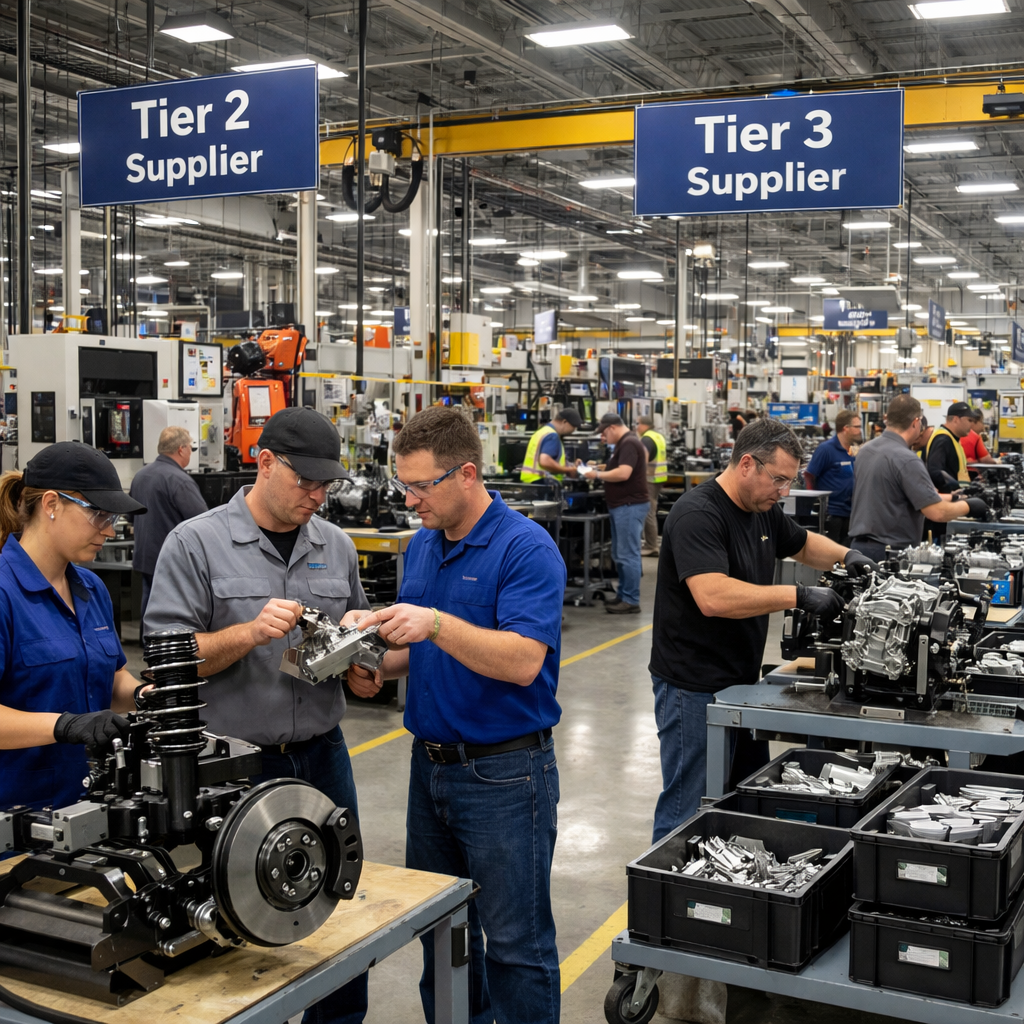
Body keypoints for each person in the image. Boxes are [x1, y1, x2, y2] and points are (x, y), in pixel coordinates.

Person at [144, 407, 371, 1024]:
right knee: (234, 923)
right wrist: (244, 634)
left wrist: (364, 667)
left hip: (322, 759)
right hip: (233, 771)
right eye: (306, 482)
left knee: (336, 908)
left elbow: (360, 645)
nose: (317, 497)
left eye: (327, 485)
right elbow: (170, 664)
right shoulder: (195, 543)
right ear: (265, 462)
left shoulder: (337, 545)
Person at [347, 406, 564, 1024]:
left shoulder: (525, 549)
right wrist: (372, 666)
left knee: (516, 945)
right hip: (431, 770)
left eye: (421, 486)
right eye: (403, 485)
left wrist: (436, 624)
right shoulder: (422, 546)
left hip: (505, 775)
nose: (410, 500)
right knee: (441, 933)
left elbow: (523, 660)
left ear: (466, 474)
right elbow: (417, 652)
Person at [648, 417, 878, 844]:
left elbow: (804, 543)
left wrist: (850, 557)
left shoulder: (764, 510)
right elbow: (713, 596)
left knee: (744, 795)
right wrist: (798, 595)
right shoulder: (697, 514)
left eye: (789, 481)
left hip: (740, 683)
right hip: (691, 686)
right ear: (747, 464)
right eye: (778, 480)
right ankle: (665, 895)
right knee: (687, 808)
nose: (784, 492)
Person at [0, 442, 144, 813]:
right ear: (51, 504)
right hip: (17, 818)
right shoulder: (4, 593)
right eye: (98, 515)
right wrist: (64, 726)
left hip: (90, 807)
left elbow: (110, 681)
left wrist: (146, 696)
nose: (109, 532)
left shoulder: (91, 589)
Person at [848, 394, 988, 561]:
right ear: (916, 422)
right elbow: (937, 512)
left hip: (858, 550)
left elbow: (892, 495)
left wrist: (951, 496)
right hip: (890, 555)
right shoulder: (906, 459)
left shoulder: (866, 451)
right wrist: (970, 506)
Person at [129, 426, 208, 622]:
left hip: (145, 557)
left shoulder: (141, 475)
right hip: (171, 561)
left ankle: (147, 646)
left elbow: (131, 516)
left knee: (149, 607)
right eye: (191, 447)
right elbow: (204, 525)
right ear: (181, 449)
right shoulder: (180, 481)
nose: (191, 452)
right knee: (169, 615)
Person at [578, 413, 649, 614]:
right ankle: (624, 596)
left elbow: (624, 473)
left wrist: (597, 474)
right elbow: (620, 467)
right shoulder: (625, 443)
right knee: (620, 553)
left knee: (627, 554)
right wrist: (598, 466)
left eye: (603, 433)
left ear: (612, 428)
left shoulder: (628, 443)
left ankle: (631, 599)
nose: (603, 438)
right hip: (623, 505)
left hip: (629, 505)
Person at [803, 409, 862, 546]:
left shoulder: (851, 451)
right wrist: (815, 502)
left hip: (850, 514)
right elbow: (809, 475)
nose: (860, 430)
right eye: (857, 427)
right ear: (845, 428)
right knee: (831, 557)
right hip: (832, 514)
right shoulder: (826, 450)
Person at [925, 401, 974, 537]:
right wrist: (955, 487)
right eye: (969, 420)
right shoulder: (943, 439)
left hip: (951, 504)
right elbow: (935, 470)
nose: (971, 424)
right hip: (944, 507)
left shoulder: (953, 439)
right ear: (956, 419)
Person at [520, 407, 582, 483]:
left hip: (531, 482)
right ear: (564, 422)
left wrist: (570, 465)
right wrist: (568, 470)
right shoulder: (552, 436)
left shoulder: (542, 431)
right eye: (574, 427)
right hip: (542, 483)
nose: (573, 431)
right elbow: (545, 461)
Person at [636, 415, 668, 557]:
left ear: (643, 425)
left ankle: (651, 545)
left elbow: (643, 460)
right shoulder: (658, 436)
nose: (637, 427)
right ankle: (651, 543)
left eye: (638, 424)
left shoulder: (647, 439)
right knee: (652, 510)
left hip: (649, 478)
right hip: (658, 478)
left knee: (649, 512)